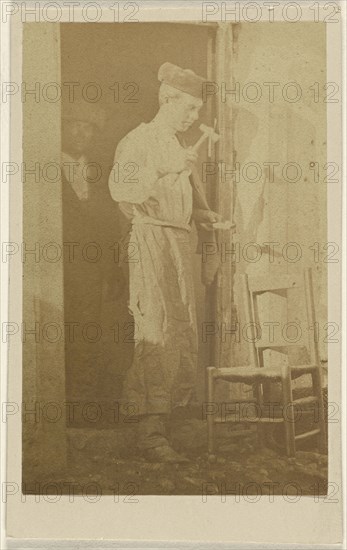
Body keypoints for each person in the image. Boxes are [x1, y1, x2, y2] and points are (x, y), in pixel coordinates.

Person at [108, 62, 221, 462]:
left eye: (197, 112)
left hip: (178, 238)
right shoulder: (139, 141)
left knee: (181, 329)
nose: (193, 118)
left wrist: (203, 215)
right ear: (166, 98)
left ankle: (171, 418)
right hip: (150, 237)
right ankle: (148, 430)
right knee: (154, 327)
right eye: (189, 109)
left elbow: (182, 197)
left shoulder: (175, 143)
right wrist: (162, 170)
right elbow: (123, 192)